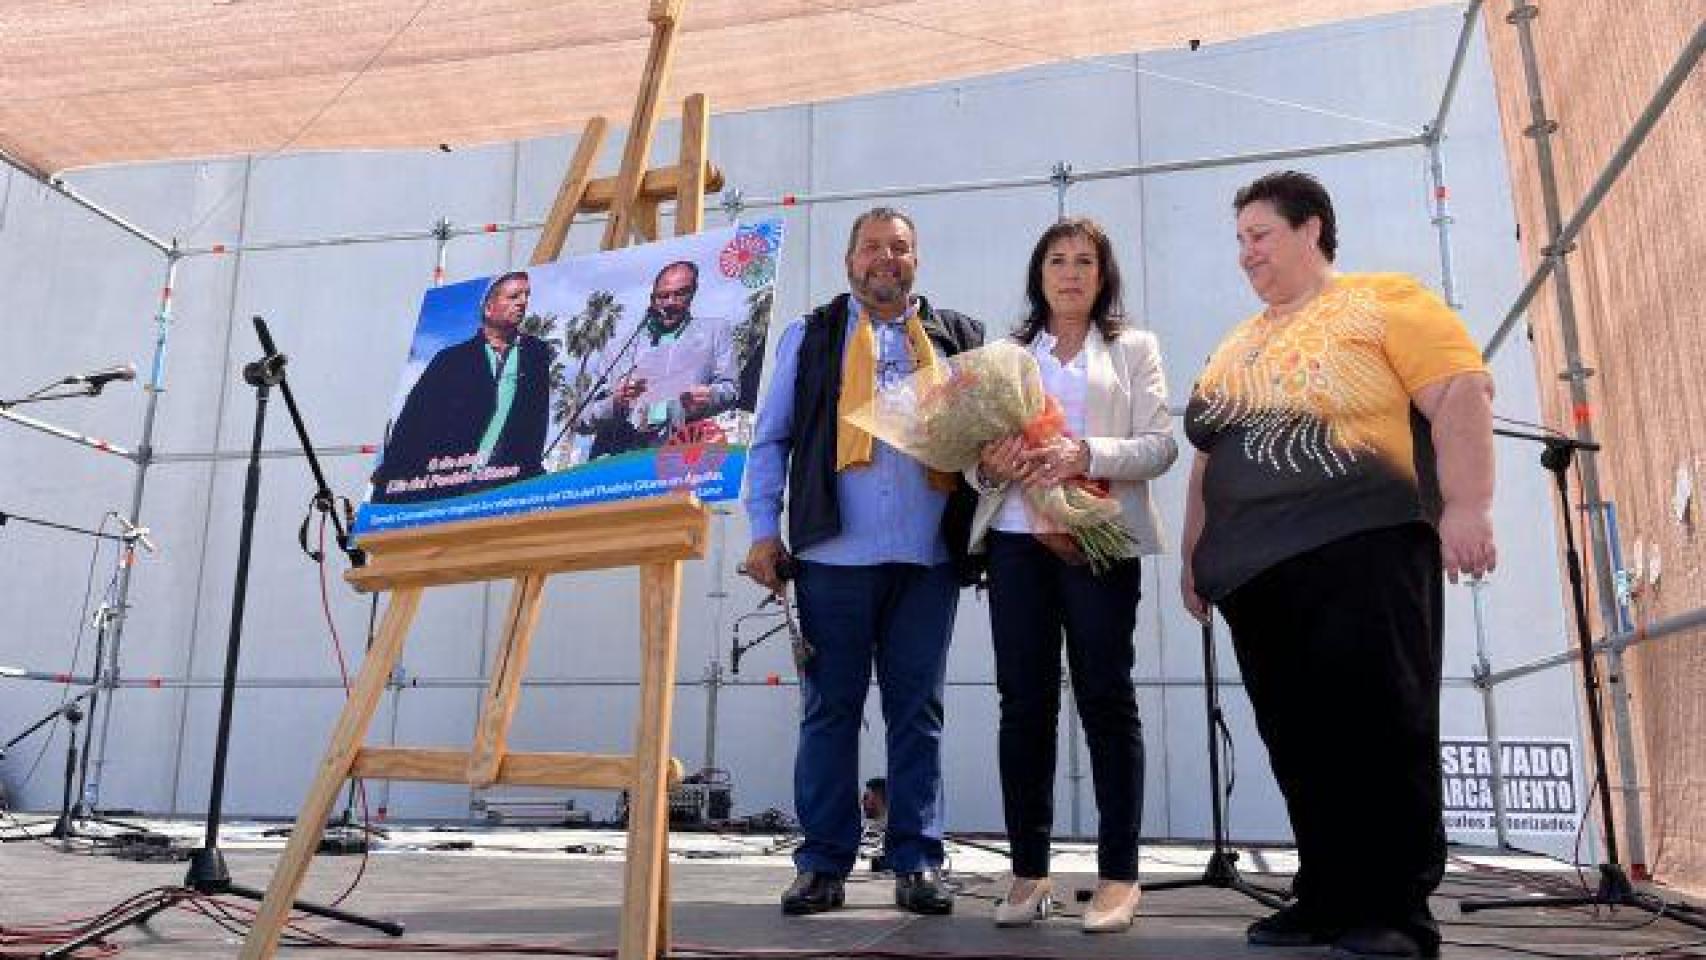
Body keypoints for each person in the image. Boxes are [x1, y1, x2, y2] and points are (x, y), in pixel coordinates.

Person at [1181, 171, 1496, 959]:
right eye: (1240, 240)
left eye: (1259, 235)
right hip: (1253, 576)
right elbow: (1205, 458)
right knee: (1300, 740)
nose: (1245, 253)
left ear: (1311, 228)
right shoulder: (1236, 343)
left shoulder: (1383, 299)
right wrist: (1194, 557)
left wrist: (1468, 506)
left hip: (1364, 545)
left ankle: (1394, 908)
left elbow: (1458, 392)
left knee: (1382, 729)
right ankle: (1324, 894)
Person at [742, 206, 983, 917]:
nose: (886, 258)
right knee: (829, 713)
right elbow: (771, 441)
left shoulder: (958, 338)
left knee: (919, 713)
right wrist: (763, 531)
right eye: (872, 247)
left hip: (927, 559)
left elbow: (986, 441)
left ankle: (917, 861)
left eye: (900, 247)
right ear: (851, 262)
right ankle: (821, 864)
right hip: (832, 559)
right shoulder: (812, 336)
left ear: (917, 259)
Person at [968, 218, 1177, 933]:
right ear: (1038, 274)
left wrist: (1083, 452)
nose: (1070, 273)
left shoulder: (1134, 349)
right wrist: (987, 464)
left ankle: (1119, 877)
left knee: (1106, 700)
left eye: (1085, 261)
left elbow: (1158, 447)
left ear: (1103, 274)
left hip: (1098, 540)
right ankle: (1029, 873)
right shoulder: (1004, 353)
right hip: (1015, 545)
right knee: (1022, 705)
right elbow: (972, 457)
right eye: (1057, 260)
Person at [371, 270, 550, 503]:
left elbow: (537, 422)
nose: (523, 302)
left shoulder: (535, 354)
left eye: (527, 295)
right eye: (514, 296)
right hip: (449, 488)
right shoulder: (450, 359)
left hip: (509, 486)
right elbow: (412, 422)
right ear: (488, 307)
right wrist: (391, 481)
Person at [579, 260, 738, 458]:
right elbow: (581, 419)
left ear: (693, 293)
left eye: (680, 294)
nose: (670, 302)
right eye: (663, 296)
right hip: (618, 460)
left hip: (682, 457)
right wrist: (615, 402)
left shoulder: (715, 332)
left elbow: (731, 390)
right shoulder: (619, 346)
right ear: (652, 299)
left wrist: (709, 396)